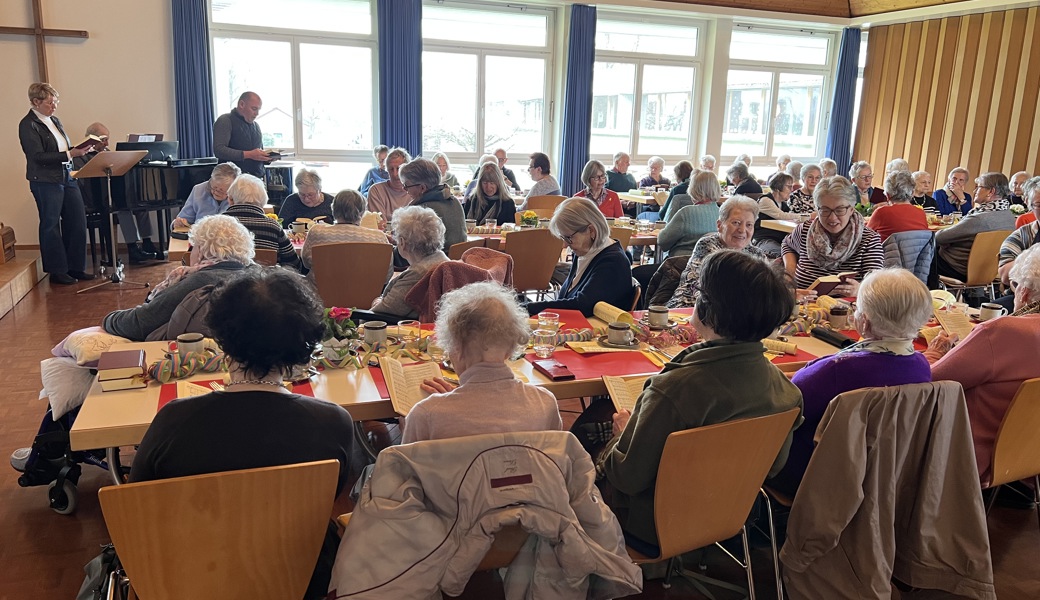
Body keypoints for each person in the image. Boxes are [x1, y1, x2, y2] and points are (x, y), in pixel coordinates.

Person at [128, 266, 354, 600]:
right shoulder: (334, 422)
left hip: (190, 577)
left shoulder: (173, 421)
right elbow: (331, 496)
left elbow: (139, 503)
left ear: (222, 338)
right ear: (303, 343)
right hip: (299, 577)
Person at [598, 249, 802, 551]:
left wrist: (622, 435)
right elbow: (773, 467)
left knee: (584, 436)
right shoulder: (787, 392)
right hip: (730, 517)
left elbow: (627, 477)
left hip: (653, 526)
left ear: (706, 309)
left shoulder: (672, 390)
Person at [767, 268, 933, 496]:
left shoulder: (837, 370)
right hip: (883, 475)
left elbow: (788, 406)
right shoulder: (922, 367)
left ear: (863, 322)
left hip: (815, 475)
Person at [925, 243, 1040, 486]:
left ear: (1026, 293)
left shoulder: (1002, 332)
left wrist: (934, 352)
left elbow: (928, 382)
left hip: (973, 459)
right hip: (1030, 457)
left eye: (1014, 287)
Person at [403, 281, 563, 443]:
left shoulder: (426, 415)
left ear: (455, 348)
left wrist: (447, 404)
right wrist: (453, 401)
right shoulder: (544, 403)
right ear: (511, 348)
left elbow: (404, 465)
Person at [102, 215, 255, 341]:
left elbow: (138, 324)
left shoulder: (199, 281)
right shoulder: (259, 277)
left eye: (193, 247)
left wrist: (109, 319)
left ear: (201, 250)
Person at [18, 83, 93, 285]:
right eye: (50, 102)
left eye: (55, 102)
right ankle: (57, 271)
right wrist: (70, 153)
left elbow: (62, 148)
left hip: (66, 176)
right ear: (36, 102)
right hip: (44, 180)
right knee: (51, 225)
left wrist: (77, 150)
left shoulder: (54, 120)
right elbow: (37, 156)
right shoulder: (28, 124)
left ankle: (75, 267)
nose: (54, 106)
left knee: (77, 220)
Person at [526, 198, 634, 316]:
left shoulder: (612, 262)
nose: (565, 244)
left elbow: (582, 306)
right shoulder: (585, 250)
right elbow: (567, 298)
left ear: (591, 230)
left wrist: (527, 309)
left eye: (568, 238)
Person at [782, 176, 884, 295]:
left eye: (840, 210)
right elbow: (787, 244)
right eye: (825, 210)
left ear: (851, 209)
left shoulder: (869, 240)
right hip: (804, 308)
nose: (832, 217)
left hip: (846, 309)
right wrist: (790, 270)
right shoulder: (805, 230)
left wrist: (860, 289)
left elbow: (876, 286)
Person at [73, 122, 159, 264]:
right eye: (103, 139)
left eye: (108, 139)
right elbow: (83, 182)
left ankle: (147, 242)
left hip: (110, 195)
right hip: (93, 200)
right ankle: (132, 248)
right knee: (122, 209)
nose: (107, 142)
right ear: (91, 139)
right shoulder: (81, 156)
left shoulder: (107, 154)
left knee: (140, 206)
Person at [667, 196, 766, 307]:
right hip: (689, 310)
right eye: (736, 223)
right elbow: (706, 292)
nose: (742, 230)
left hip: (735, 316)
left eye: (749, 225)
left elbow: (767, 292)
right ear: (719, 225)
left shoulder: (756, 254)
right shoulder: (708, 246)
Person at [370, 206, 448, 319]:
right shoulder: (443, 260)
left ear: (402, 242)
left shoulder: (418, 273)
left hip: (400, 330)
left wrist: (376, 301)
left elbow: (381, 312)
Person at [935, 172, 1015, 282]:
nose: (974, 191)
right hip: (989, 271)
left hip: (956, 268)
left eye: (978, 187)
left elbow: (939, 238)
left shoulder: (980, 218)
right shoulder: (1009, 217)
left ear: (991, 191)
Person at [224, 174, 302, 271]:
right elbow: (293, 264)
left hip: (225, 283)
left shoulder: (218, 224)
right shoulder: (272, 227)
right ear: (263, 201)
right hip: (265, 283)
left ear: (230, 199)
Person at [301, 189, 390, 271]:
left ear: (333, 209)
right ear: (362, 212)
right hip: (366, 287)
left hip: (320, 287)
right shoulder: (379, 237)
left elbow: (306, 263)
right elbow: (386, 274)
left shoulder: (316, 231)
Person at [400, 157, 467, 250]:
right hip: (457, 261)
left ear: (422, 188)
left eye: (406, 185)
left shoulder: (421, 211)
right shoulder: (454, 201)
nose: (404, 189)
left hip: (435, 263)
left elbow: (406, 254)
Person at [657, 171, 721, 258]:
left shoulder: (686, 213)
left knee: (639, 271)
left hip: (680, 266)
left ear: (693, 189)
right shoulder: (723, 214)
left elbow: (663, 242)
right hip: (710, 266)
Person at [213, 91, 270, 178]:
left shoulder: (256, 126)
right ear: (241, 104)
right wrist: (249, 154)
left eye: (258, 110)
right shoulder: (225, 120)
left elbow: (257, 154)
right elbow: (219, 150)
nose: (257, 113)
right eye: (254, 109)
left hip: (256, 179)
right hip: (232, 181)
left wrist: (267, 157)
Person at [998, 176, 1040, 286]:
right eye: (1039, 205)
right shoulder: (1022, 235)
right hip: (1026, 296)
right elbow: (1005, 276)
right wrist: (1032, 260)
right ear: (1029, 204)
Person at [867, 171, 930, 242]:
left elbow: (865, 237)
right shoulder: (921, 213)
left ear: (887, 195)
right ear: (912, 193)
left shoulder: (881, 212)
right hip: (916, 253)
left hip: (887, 252)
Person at [173, 162, 240, 229]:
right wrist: (177, 223)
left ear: (233, 188)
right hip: (200, 237)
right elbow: (183, 218)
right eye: (214, 187)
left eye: (221, 191)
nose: (216, 192)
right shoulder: (198, 190)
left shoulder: (239, 195)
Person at [753, 172, 803, 258]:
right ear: (778, 188)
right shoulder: (765, 200)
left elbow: (791, 218)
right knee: (781, 256)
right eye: (789, 186)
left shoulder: (783, 205)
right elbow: (781, 216)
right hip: (764, 239)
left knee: (801, 255)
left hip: (781, 240)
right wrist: (808, 216)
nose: (791, 190)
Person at [464, 162, 516, 227]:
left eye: (492, 183)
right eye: (485, 183)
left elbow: (510, 229)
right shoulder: (472, 200)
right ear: (480, 183)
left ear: (499, 183)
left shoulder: (508, 203)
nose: (488, 187)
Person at [366, 147, 412, 221]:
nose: (395, 174)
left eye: (398, 169)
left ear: (407, 170)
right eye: (391, 169)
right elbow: (379, 225)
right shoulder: (376, 191)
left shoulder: (417, 191)